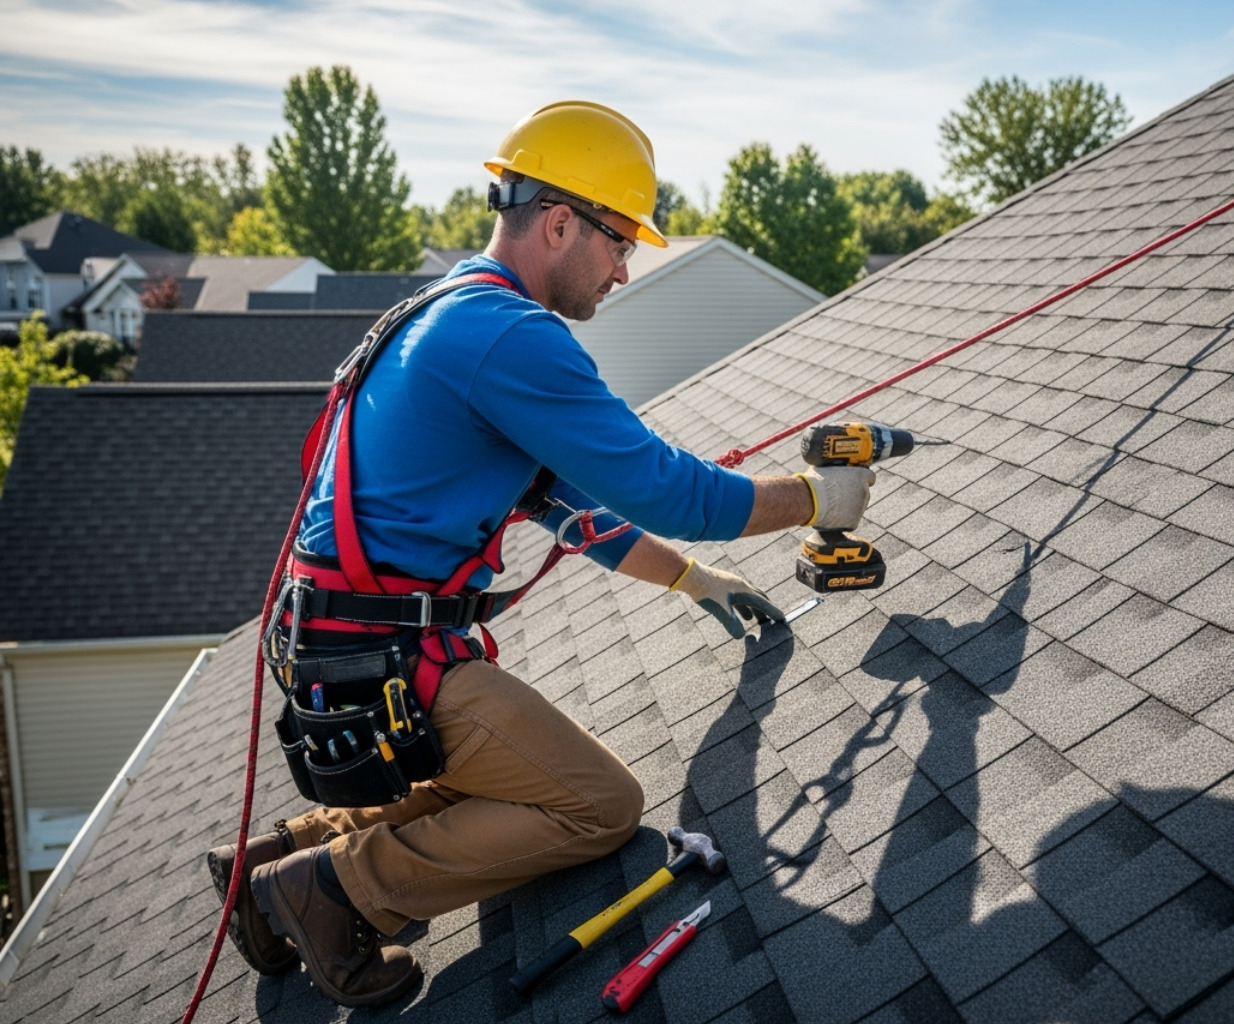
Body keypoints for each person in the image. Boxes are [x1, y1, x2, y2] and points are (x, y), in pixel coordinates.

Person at [206, 101, 876, 1008]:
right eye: (617, 240)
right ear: (560, 222)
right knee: (598, 805)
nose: (624, 268)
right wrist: (816, 499)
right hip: (386, 662)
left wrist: (690, 577)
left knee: (505, 784)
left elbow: (566, 509)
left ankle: (277, 860)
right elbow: (670, 488)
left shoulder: (443, 313)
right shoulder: (509, 337)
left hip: (338, 650)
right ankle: (332, 890)